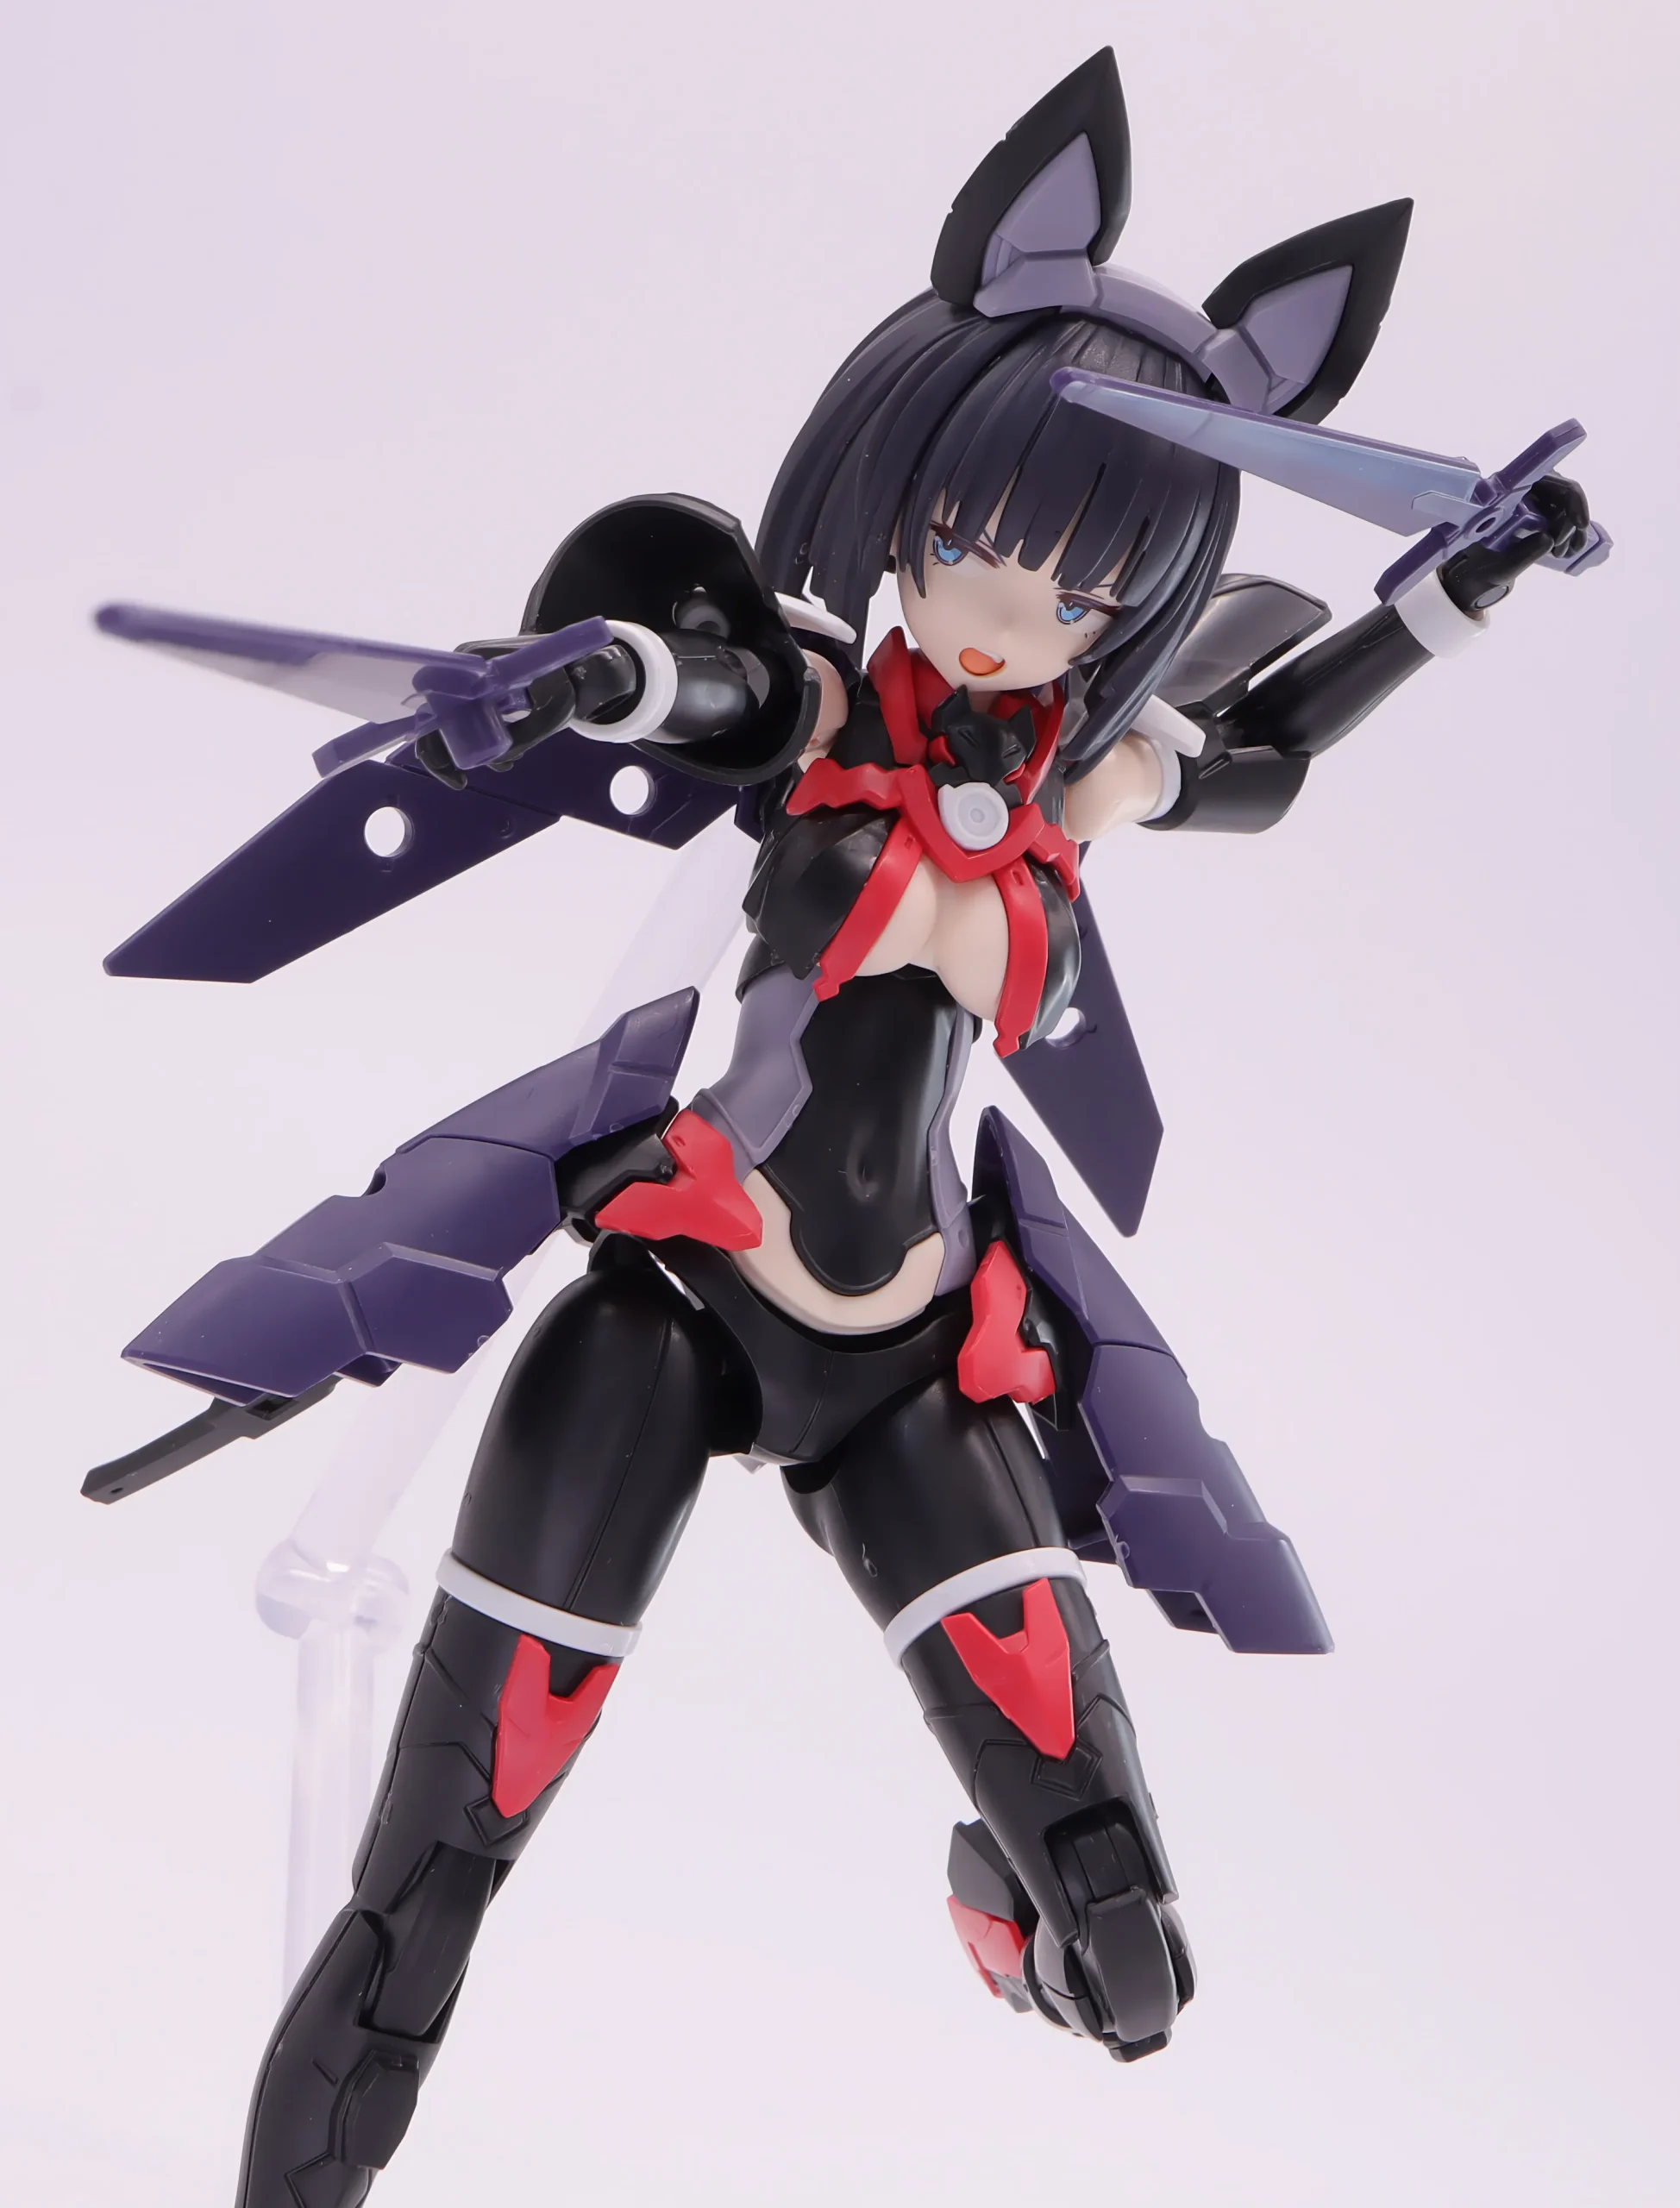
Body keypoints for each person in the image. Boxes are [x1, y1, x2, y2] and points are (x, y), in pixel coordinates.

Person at [94, 50, 1598, 2208]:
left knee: (1128, 1947)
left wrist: (1466, 583)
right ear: (899, 495)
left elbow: (1264, 742)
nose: (997, 608)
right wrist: (565, 681)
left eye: (1067, 585)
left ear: (1129, 598)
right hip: (673, 1317)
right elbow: (692, 685)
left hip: (911, 1364)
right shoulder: (822, 710)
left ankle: (1000, 1914)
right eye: (968, 543)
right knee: (432, 1883)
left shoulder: (1076, 776)